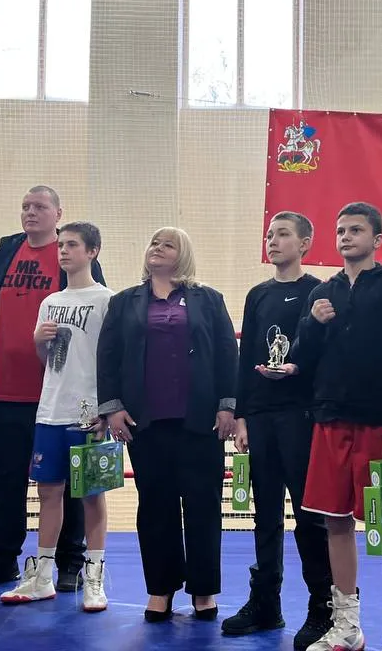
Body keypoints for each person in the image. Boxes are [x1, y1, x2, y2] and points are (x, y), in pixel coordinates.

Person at [282, 202, 382, 651]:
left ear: (376, 239)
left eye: (355, 230)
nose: (345, 237)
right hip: (330, 419)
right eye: (340, 230)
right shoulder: (323, 292)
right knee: (334, 522)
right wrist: (313, 324)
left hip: (378, 422)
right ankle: (346, 625)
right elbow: (301, 357)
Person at [0, 186, 105, 592]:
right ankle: (1, 560)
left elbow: (96, 332)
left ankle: (70, 562)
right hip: (1, 390)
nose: (30, 212)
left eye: (40, 207)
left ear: (58, 213)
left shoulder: (76, 257)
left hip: (59, 397)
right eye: (25, 206)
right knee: (2, 479)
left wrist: (101, 398)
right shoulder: (6, 251)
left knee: (70, 485)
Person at [97, 227, 238, 623]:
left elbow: (227, 353)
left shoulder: (209, 299)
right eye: (153, 243)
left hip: (201, 421)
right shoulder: (124, 302)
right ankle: (160, 589)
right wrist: (112, 408)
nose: (156, 248)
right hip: (145, 422)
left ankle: (204, 591)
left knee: (203, 506)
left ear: (183, 254)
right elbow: (108, 357)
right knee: (155, 506)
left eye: (167, 244)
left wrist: (228, 405)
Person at [221, 212, 334, 649]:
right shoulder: (258, 295)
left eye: (283, 234)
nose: (273, 241)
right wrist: (242, 415)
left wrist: (297, 368)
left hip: (300, 416)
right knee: (264, 514)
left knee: (309, 516)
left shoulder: (318, 291)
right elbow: (247, 354)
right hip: (262, 417)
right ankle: (266, 602)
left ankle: (322, 607)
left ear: (305, 243)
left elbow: (324, 352)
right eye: (270, 234)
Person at [0, 222, 114, 612]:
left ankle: (94, 576)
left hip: (88, 411)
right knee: (48, 491)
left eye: (72, 245)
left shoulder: (107, 300)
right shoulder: (50, 302)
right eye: (61, 245)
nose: (63, 251)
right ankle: (42, 575)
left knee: (91, 494)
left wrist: (106, 409)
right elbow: (48, 361)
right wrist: (37, 342)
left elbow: (112, 359)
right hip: (50, 408)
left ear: (92, 251)